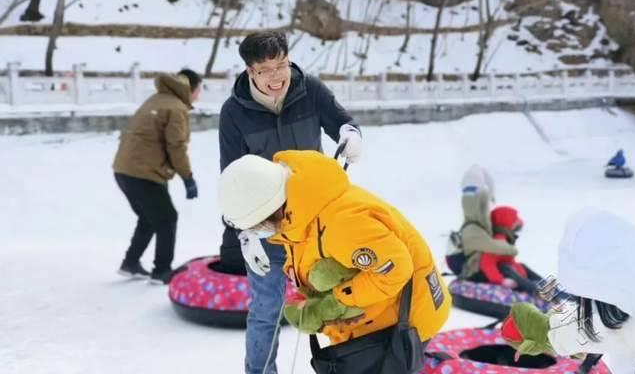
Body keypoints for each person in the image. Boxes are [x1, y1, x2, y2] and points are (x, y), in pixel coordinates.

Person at [217, 31, 362, 374]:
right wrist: (245, 234)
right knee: (267, 310)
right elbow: (232, 179)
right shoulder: (234, 113)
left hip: (319, 225)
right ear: (250, 71)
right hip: (269, 229)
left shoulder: (310, 90)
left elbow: (343, 122)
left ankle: (357, 366)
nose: (276, 76)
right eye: (265, 69)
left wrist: (352, 134)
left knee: (343, 301)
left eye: (281, 64)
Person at [219, 150, 450, 363]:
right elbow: (310, 248)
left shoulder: (341, 224)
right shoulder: (298, 209)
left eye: (258, 227)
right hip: (373, 317)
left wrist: (334, 304)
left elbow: (396, 269)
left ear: (270, 210)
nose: (261, 233)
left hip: (407, 317)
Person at [502, 209, 635, 373]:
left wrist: (545, 332)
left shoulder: (622, 323)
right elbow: (588, 326)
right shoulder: (623, 307)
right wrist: (544, 329)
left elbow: (594, 327)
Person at [113, 69, 202, 285]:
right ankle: (161, 271)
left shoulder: (156, 100)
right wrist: (188, 178)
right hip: (144, 173)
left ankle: (130, 263)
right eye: (200, 89)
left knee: (150, 218)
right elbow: (176, 147)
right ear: (190, 89)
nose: (199, 94)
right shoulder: (176, 108)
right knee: (167, 218)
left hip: (124, 170)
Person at [477, 205, 542, 294]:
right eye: (515, 223)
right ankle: (535, 290)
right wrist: (501, 281)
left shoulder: (505, 239)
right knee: (505, 267)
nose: (517, 228)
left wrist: (521, 273)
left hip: (509, 273)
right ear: (506, 224)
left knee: (521, 266)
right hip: (499, 275)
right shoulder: (496, 242)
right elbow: (487, 264)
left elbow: (511, 262)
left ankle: (545, 285)